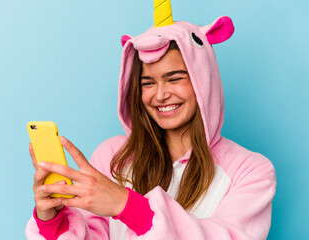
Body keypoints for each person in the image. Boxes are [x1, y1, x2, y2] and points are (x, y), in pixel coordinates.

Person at [25, 1, 276, 239]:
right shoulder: (113, 156)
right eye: (148, 83)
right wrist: (53, 221)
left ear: (203, 80)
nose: (160, 95)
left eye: (174, 78)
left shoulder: (251, 172)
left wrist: (127, 206)